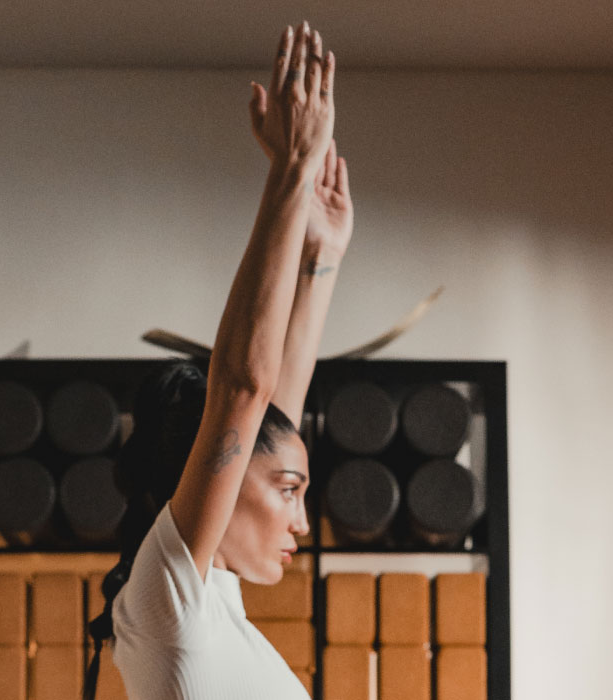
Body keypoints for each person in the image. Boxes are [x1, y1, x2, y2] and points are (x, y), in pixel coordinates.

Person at [83, 20, 353, 700]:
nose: (302, 522)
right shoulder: (168, 610)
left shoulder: (213, 610)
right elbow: (242, 389)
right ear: (219, 476)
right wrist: (290, 171)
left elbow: (271, 409)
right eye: (289, 491)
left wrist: (322, 257)